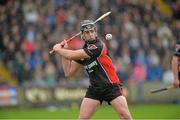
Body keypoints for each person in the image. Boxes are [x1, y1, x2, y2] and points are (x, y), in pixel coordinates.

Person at [52, 20, 132, 119]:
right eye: (87, 32)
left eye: (92, 31)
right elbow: (68, 72)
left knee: (125, 116)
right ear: (82, 36)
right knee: (82, 118)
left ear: (96, 33)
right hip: (95, 89)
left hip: (111, 86)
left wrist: (60, 50)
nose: (90, 34)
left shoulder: (98, 46)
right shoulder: (83, 50)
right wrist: (64, 52)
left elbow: (72, 55)